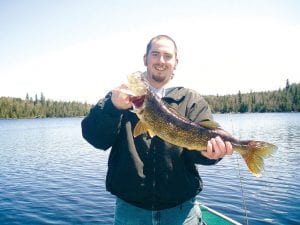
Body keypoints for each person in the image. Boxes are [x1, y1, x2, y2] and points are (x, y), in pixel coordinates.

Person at [81, 35, 233, 225]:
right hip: (130, 212)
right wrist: (112, 107)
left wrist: (211, 154)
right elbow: (95, 138)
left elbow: (200, 152)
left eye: (167, 56)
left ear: (175, 62)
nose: (161, 60)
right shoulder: (120, 98)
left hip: (181, 212)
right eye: (155, 54)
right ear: (145, 59)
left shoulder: (191, 100)